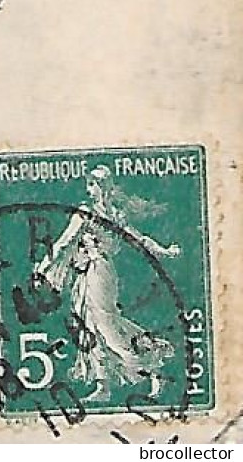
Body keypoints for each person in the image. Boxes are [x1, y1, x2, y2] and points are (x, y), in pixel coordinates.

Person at [35, 166, 181, 401]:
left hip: (98, 273)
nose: (91, 189)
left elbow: (63, 243)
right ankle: (103, 386)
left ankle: (151, 367)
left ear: (101, 188)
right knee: (91, 326)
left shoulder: (96, 214)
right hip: (89, 274)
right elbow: (139, 239)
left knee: (106, 328)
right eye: (91, 184)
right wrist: (165, 250)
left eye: (94, 184)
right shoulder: (110, 214)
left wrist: (42, 268)